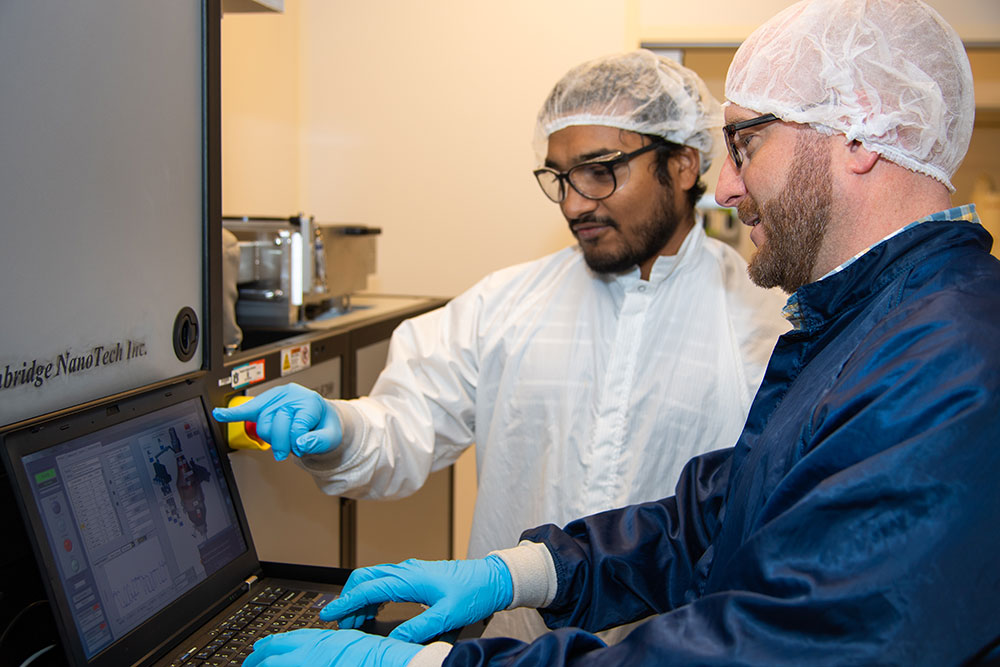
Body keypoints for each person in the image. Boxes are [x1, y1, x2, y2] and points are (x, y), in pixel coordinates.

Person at [238, 0, 1000, 665]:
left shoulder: (942, 359)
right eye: (560, 177)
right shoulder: (859, 323)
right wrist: (522, 570)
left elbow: (782, 643)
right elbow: (710, 520)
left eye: (747, 144)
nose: (730, 188)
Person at [213, 50, 788, 642]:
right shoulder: (506, 305)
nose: (573, 203)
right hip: (506, 651)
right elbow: (405, 424)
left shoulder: (766, 325)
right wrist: (341, 427)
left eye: (600, 170)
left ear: (685, 164)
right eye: (560, 177)